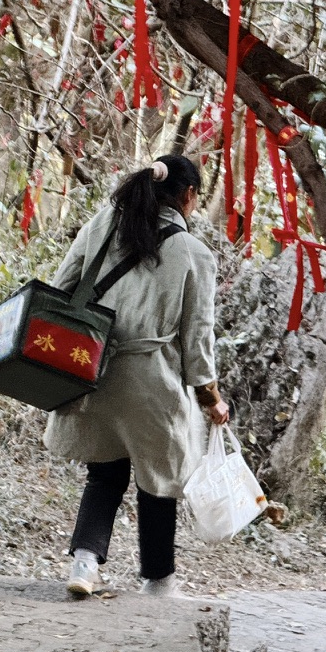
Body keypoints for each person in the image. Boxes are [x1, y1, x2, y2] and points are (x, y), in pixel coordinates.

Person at [43, 154, 229, 598]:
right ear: (188, 195)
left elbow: (61, 286)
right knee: (158, 479)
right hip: (153, 380)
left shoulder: (103, 225)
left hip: (93, 366)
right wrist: (211, 397)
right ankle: (158, 581)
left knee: (104, 472)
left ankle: (85, 564)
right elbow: (197, 338)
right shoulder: (194, 253)